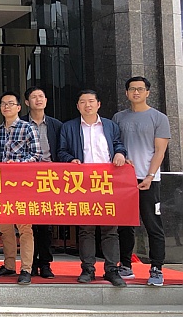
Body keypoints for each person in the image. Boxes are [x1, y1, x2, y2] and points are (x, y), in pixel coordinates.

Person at [57, 90, 127, 287]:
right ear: (77, 106)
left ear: (98, 104)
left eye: (91, 101)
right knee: (86, 229)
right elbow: (61, 151)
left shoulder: (110, 125)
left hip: (107, 183)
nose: (87, 105)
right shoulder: (69, 127)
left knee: (110, 229)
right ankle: (88, 269)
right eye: (82, 102)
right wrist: (71, 160)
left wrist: (120, 153)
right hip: (82, 183)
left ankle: (112, 269)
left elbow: (118, 144)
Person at [113, 76, 170, 286]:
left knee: (152, 224)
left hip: (149, 179)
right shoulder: (118, 117)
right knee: (124, 225)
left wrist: (150, 176)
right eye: (132, 89)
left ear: (148, 92)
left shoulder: (159, 118)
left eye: (140, 89)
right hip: (124, 179)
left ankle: (156, 268)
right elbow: (115, 145)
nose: (136, 92)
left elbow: (160, 151)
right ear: (126, 93)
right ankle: (125, 265)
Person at [0, 91, 43, 285]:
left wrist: (18, 165)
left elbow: (36, 155)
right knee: (5, 227)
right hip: (0, 186)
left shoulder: (28, 128)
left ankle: (26, 268)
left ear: (19, 107)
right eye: (3, 104)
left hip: (22, 185)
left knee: (24, 227)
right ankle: (8, 265)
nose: (6, 107)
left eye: (10, 103)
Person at [21, 86, 62, 279]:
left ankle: (45, 263)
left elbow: (61, 150)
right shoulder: (20, 124)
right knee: (29, 223)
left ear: (46, 100)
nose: (38, 100)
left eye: (41, 96)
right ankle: (30, 263)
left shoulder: (56, 125)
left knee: (45, 223)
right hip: (26, 178)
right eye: (33, 97)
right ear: (26, 102)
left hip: (49, 178)